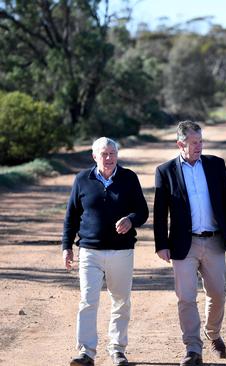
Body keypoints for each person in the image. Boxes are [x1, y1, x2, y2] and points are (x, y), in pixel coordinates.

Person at [153, 121, 226, 366]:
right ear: (180, 144)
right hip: (183, 244)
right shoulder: (165, 171)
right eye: (193, 143)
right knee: (186, 297)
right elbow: (160, 212)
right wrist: (161, 244)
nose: (198, 147)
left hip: (214, 240)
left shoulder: (215, 165)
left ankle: (213, 333)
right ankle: (193, 348)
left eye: (201, 142)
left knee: (218, 294)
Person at [62, 137, 149, 366]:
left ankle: (117, 349)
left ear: (117, 155)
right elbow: (71, 216)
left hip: (121, 251)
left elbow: (142, 211)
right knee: (88, 300)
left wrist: (131, 220)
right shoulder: (82, 179)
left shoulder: (129, 178)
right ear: (94, 156)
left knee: (121, 300)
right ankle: (86, 352)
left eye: (112, 153)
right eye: (104, 154)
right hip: (89, 250)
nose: (109, 158)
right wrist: (66, 247)